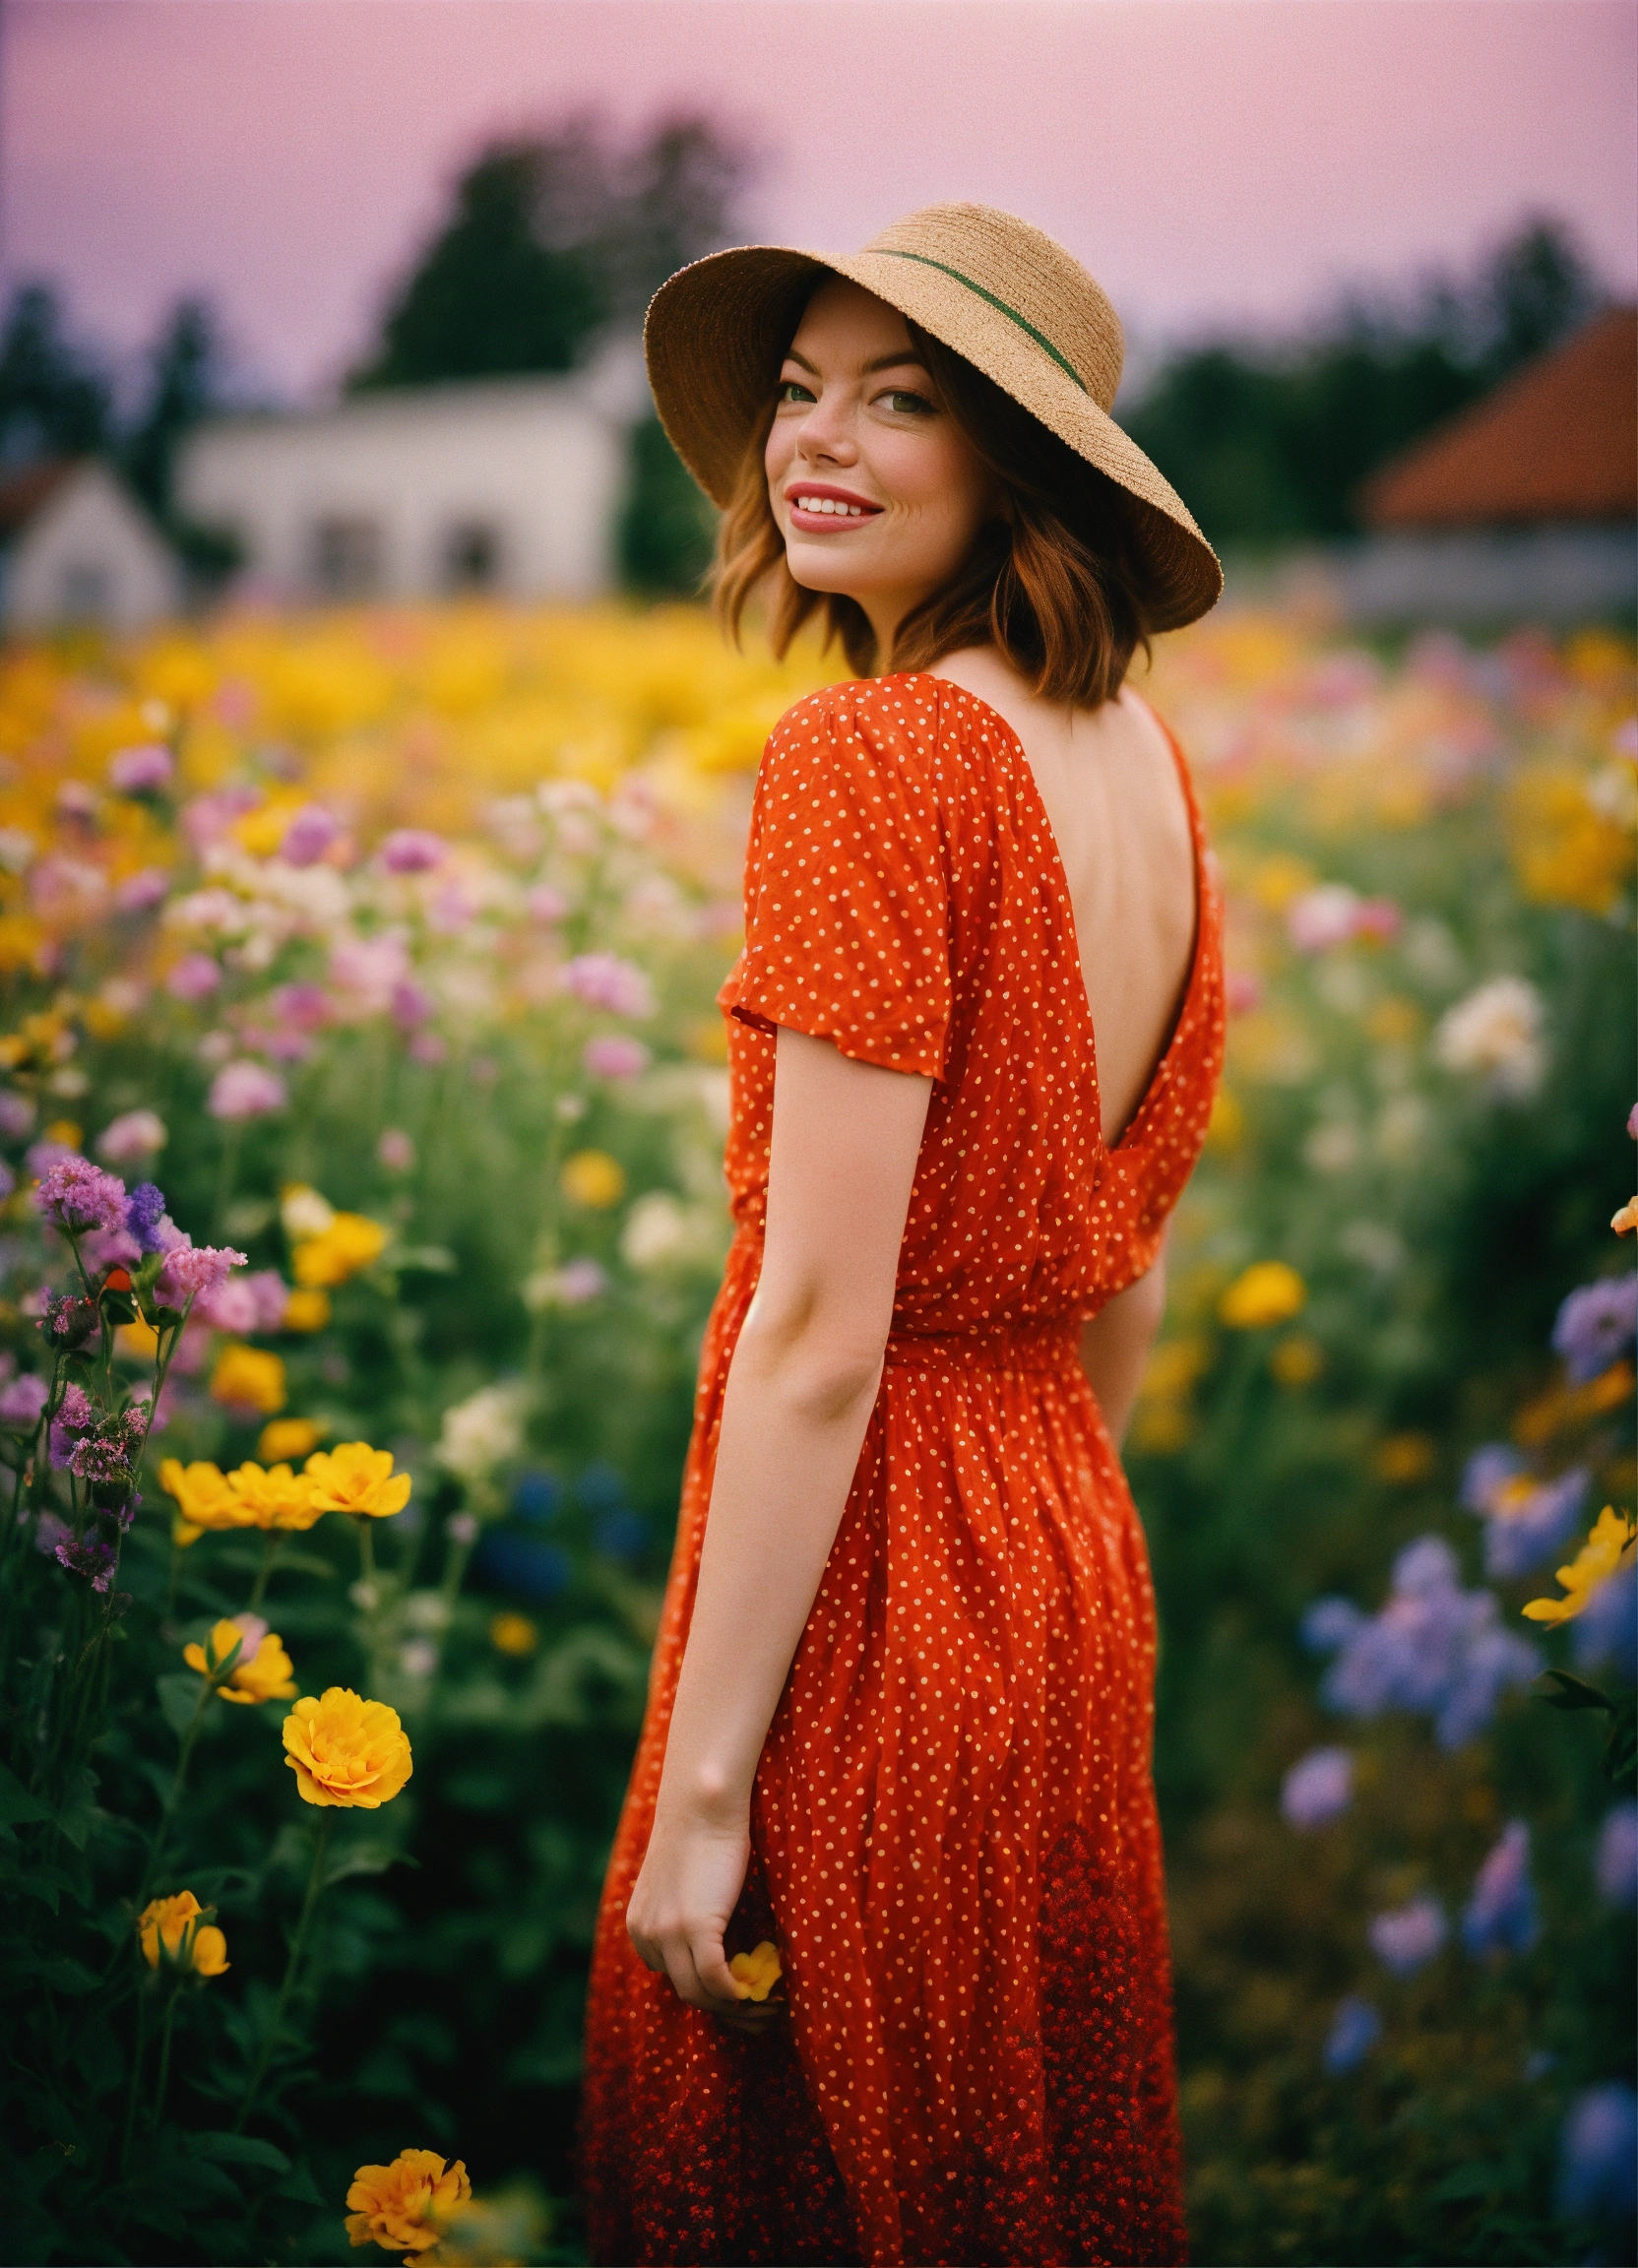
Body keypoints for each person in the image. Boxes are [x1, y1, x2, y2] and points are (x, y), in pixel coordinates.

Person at [582, 202, 1225, 2267]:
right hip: (1054, 1536)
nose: (811, 442)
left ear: (1016, 458)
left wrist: (699, 1797)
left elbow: (815, 1338)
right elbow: (1117, 1256)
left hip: (879, 1557)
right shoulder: (1142, 765)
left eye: (901, 398)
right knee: (1014, 2143)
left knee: (799, 2163)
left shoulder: (875, 760)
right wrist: (1034, 1516)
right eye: (794, 391)